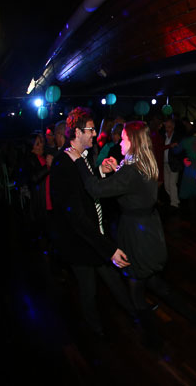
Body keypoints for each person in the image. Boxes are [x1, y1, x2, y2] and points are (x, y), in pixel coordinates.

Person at [66, 120, 196, 346]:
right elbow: (134, 186)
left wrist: (79, 161)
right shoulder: (144, 163)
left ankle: (153, 341)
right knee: (154, 283)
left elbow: (95, 189)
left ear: (134, 141)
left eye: (124, 139)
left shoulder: (131, 170)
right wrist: (117, 170)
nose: (120, 142)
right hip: (148, 229)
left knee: (137, 291)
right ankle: (192, 316)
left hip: (138, 236)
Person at [49, 107, 136, 337]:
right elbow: (75, 215)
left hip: (92, 237)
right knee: (88, 289)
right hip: (79, 241)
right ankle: (96, 332)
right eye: (90, 130)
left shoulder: (82, 157)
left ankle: (135, 313)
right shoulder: (63, 163)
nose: (95, 134)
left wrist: (100, 172)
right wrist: (108, 248)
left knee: (112, 279)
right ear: (77, 132)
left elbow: (85, 187)